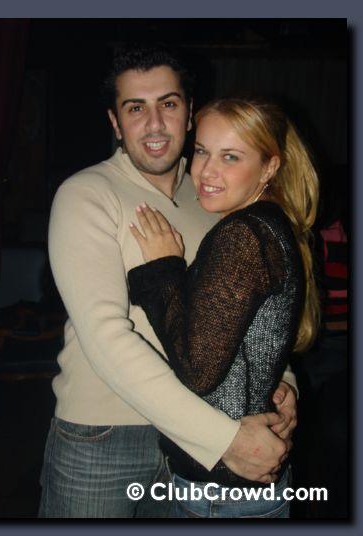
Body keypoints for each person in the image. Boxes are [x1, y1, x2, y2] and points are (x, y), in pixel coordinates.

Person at [38, 44, 298, 519]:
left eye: (168, 104)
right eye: (135, 108)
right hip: (108, 437)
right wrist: (222, 439)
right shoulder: (86, 194)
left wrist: (282, 382)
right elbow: (106, 336)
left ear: (190, 111)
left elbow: (250, 312)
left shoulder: (212, 193)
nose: (155, 124)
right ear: (115, 122)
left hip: (201, 446)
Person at [127, 96, 320, 518]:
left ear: (269, 167)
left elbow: (197, 370)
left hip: (222, 494)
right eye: (201, 151)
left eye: (230, 156)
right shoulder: (264, 224)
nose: (206, 171)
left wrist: (162, 268)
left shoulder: (243, 236)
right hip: (241, 487)